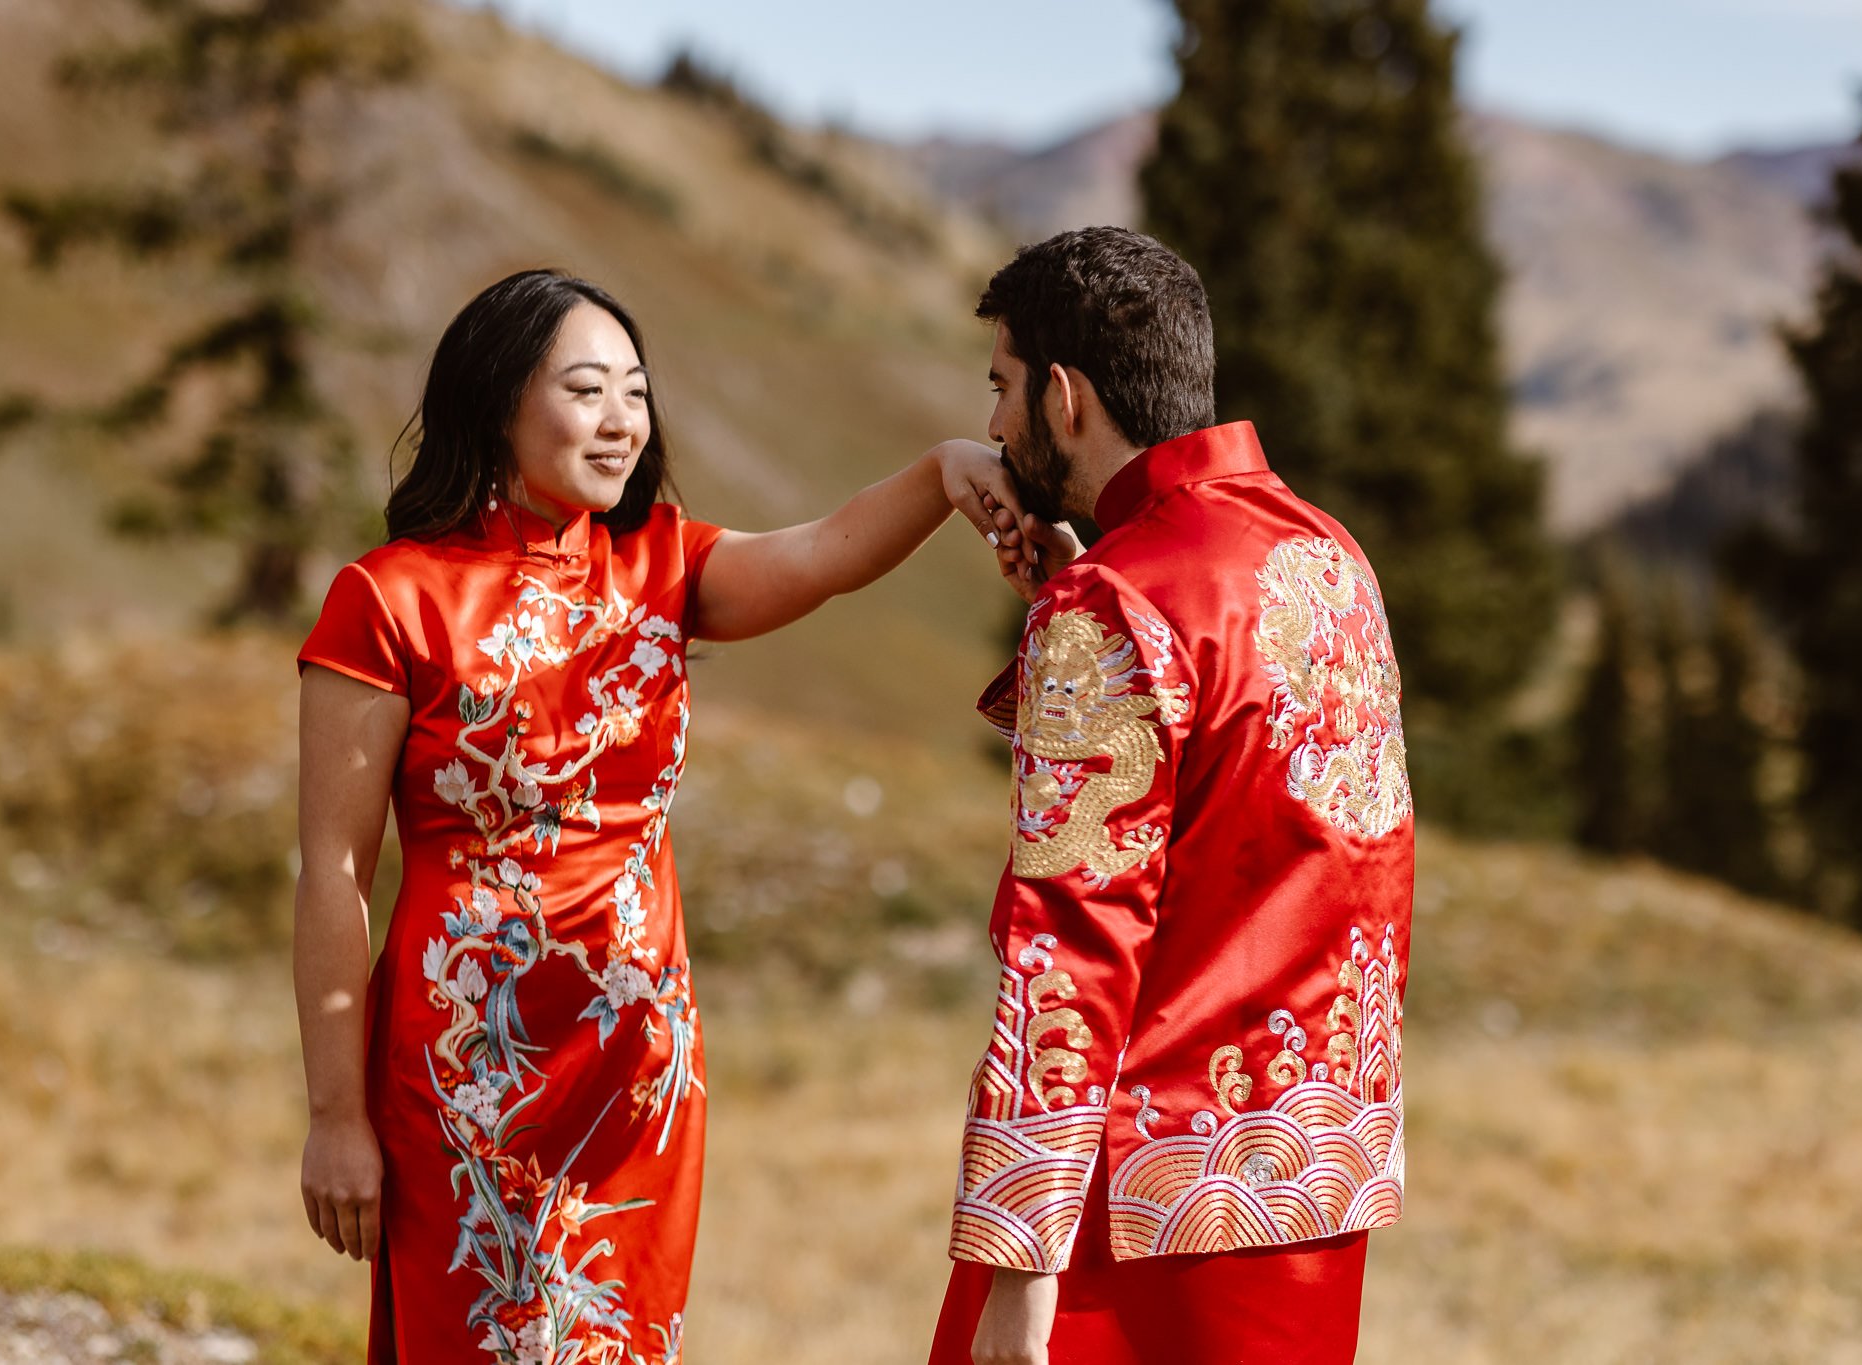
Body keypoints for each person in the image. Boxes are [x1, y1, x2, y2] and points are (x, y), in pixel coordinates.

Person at [291, 268, 1018, 1364]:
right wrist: (335, 1117)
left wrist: (941, 474)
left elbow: (821, 555)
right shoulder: (387, 599)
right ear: (496, 402)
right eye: (587, 390)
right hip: (465, 1072)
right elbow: (331, 874)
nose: (622, 420)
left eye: (635, 390)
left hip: (637, 1070)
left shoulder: (664, 565)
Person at [930, 227, 1416, 1365]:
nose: (996, 425)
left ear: (1063, 395)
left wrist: (1015, 1269)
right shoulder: (1328, 557)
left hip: (1133, 1215)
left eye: (1000, 389)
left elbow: (1066, 953)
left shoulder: (1112, 606)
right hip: (1312, 1181)